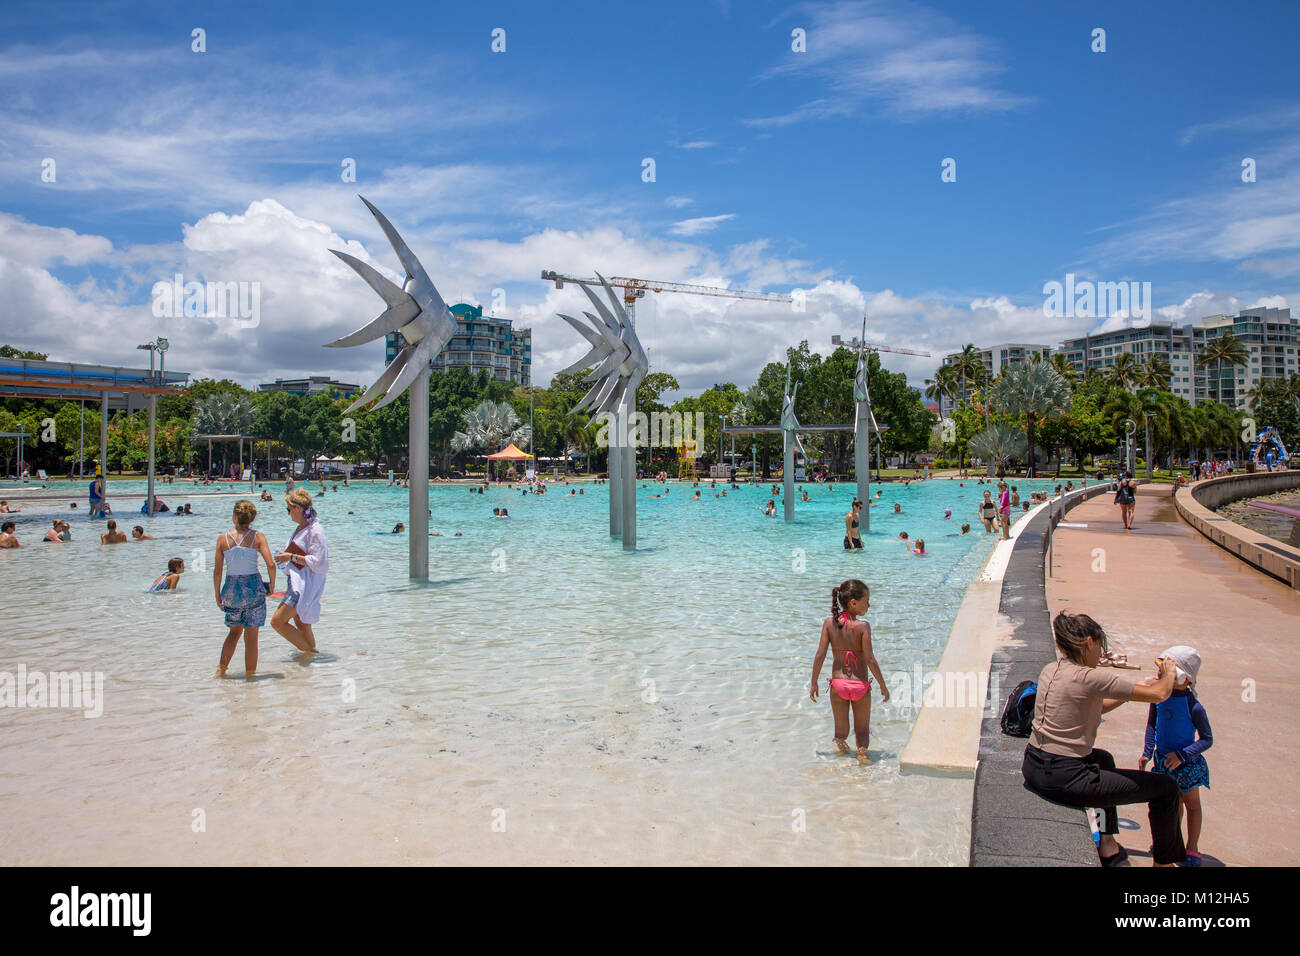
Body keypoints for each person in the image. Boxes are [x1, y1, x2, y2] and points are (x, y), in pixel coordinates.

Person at [1021, 612, 1183, 866]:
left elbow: (1095, 707)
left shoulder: (1051, 670)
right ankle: (1164, 863)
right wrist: (1169, 673)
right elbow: (1160, 694)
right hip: (1066, 779)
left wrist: (1137, 688)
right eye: (1100, 646)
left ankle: (1107, 845)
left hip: (1033, 767)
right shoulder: (1091, 677)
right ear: (1088, 643)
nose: (1101, 653)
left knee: (1104, 758)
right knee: (1166, 789)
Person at [1139, 646, 1213, 867]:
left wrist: (1182, 755)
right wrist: (1147, 751)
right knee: (1169, 806)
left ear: (1186, 678)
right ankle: (1169, 843)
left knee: (1191, 805)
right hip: (1163, 762)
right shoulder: (1159, 696)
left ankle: (1192, 847)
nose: (1164, 675)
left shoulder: (1193, 706)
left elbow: (1206, 739)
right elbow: (1153, 723)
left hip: (1186, 764)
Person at [809, 580, 889, 765]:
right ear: (853, 603)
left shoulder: (829, 623)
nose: (868, 605)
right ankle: (862, 756)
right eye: (866, 600)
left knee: (841, 731)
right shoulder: (863, 627)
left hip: (838, 686)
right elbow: (870, 659)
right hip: (860, 685)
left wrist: (814, 682)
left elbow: (820, 654)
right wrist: (883, 685)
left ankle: (842, 754)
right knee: (862, 730)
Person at [214, 500, 277, 678]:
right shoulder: (258, 537)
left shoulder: (222, 539)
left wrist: (217, 594)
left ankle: (221, 670)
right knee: (251, 636)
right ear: (252, 519)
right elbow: (271, 565)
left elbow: (217, 571)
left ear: (234, 517)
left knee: (234, 632)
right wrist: (271, 585)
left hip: (231, 589)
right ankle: (250, 675)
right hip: (253, 588)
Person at [271, 489, 327, 655]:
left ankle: (311, 653)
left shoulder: (315, 530)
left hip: (303, 586)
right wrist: (288, 558)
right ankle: (312, 664)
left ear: (298, 509)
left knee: (277, 621)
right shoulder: (301, 528)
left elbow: (320, 562)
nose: (288, 514)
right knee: (302, 623)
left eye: (289, 509)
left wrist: (290, 556)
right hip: (295, 582)